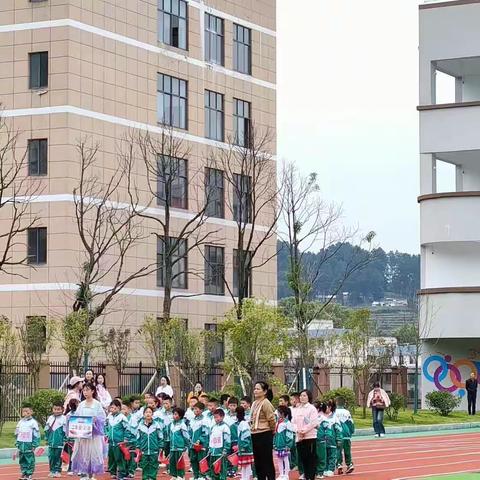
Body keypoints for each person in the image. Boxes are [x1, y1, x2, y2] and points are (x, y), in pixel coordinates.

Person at [71, 382, 106, 479]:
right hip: (83, 434)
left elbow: (102, 418)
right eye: (84, 390)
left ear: (93, 391)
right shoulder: (81, 404)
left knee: (93, 453)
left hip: (94, 435)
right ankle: (84, 473)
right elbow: (77, 417)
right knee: (83, 453)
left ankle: (93, 474)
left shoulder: (97, 404)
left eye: (87, 390)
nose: (85, 392)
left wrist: (96, 420)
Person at [250, 381, 276, 480]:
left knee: (267, 460)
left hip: (265, 433)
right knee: (258, 460)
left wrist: (272, 430)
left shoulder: (266, 403)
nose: (255, 391)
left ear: (264, 391)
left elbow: (271, 419)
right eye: (255, 388)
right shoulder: (254, 403)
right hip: (255, 433)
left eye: (258, 389)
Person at [292, 389, 318, 480]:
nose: (302, 397)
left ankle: (311, 477)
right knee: (303, 459)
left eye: (304, 396)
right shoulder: (297, 409)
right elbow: (293, 422)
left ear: (308, 397)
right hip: (299, 437)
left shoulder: (312, 408)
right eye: (301, 396)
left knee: (310, 459)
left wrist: (304, 431)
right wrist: (298, 431)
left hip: (309, 437)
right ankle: (306, 476)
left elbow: (313, 422)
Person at [136, 406, 163, 480]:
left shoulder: (156, 425)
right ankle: (145, 478)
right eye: (146, 412)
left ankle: (152, 478)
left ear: (152, 414)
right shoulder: (140, 425)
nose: (148, 414)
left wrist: (160, 446)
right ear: (144, 414)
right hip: (144, 450)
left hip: (154, 449)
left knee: (154, 465)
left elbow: (160, 436)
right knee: (144, 465)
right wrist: (138, 446)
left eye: (150, 412)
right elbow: (138, 437)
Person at [15, 402, 40, 480]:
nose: (25, 413)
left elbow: (36, 435)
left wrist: (34, 445)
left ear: (31, 412)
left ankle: (29, 474)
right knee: (22, 460)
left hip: (29, 445)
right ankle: (24, 473)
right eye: (24, 411)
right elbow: (17, 433)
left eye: (27, 411)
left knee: (30, 460)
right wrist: (17, 443)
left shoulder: (33, 423)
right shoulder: (20, 422)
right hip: (21, 446)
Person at [317, 400, 342, 478]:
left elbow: (338, 429)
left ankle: (330, 469)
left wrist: (339, 439)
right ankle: (324, 469)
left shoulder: (335, 418)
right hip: (323, 441)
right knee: (324, 455)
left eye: (326, 407)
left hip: (332, 441)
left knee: (332, 455)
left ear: (330, 407)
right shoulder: (321, 417)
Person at [106, 398, 129, 480]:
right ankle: (112, 472)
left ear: (119, 408)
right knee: (111, 457)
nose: (112, 409)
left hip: (119, 442)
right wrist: (106, 435)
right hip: (110, 442)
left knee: (120, 458)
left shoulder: (122, 417)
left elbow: (127, 429)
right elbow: (106, 427)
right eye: (111, 408)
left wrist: (125, 439)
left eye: (114, 408)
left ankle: (122, 473)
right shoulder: (109, 417)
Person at [45, 400, 67, 478]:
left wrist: (65, 439)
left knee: (58, 456)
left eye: (58, 409)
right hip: (51, 442)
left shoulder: (64, 418)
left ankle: (57, 471)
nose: (56, 411)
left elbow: (65, 430)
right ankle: (51, 470)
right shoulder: (50, 418)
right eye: (55, 409)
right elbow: (47, 429)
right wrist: (46, 438)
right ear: (52, 409)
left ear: (62, 409)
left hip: (59, 442)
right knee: (51, 456)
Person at [273, 405, 295, 480]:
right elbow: (275, 434)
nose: (277, 414)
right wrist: (274, 443)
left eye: (278, 412)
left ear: (282, 413)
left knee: (285, 459)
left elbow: (289, 435)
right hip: (278, 445)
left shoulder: (287, 423)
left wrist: (288, 445)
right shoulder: (278, 422)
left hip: (284, 445)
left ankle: (286, 474)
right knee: (279, 459)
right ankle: (281, 474)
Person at [209, 409, 231, 480]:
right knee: (213, 470)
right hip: (213, 453)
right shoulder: (213, 427)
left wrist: (225, 449)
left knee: (221, 470)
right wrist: (210, 449)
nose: (216, 419)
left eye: (217, 417)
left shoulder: (225, 427)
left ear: (222, 417)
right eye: (214, 417)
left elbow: (227, 440)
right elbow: (211, 439)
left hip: (221, 453)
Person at [169, 407, 190, 480]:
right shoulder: (171, 424)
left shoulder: (182, 424)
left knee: (179, 462)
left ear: (180, 416)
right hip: (172, 446)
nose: (174, 416)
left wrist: (187, 445)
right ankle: (174, 475)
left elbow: (186, 436)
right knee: (172, 461)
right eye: (173, 414)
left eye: (176, 414)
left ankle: (181, 475)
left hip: (180, 446)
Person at [189, 401, 209, 480]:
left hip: (201, 445)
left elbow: (205, 432)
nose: (195, 411)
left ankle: (202, 476)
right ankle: (196, 475)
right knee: (193, 460)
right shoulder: (192, 420)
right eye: (194, 409)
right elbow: (189, 431)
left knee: (201, 460)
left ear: (201, 410)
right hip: (192, 445)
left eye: (196, 409)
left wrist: (200, 440)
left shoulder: (205, 420)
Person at [335, 397, 355, 475]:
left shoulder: (334, 412)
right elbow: (351, 423)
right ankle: (349, 464)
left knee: (338, 450)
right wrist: (351, 431)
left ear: (336, 403)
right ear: (344, 403)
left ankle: (339, 464)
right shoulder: (347, 412)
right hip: (346, 434)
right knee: (347, 451)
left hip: (338, 434)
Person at [236, 406, 254, 480]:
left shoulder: (243, 424)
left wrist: (244, 446)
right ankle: (244, 478)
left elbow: (246, 437)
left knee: (247, 465)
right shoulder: (242, 423)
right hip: (242, 447)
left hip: (245, 448)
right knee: (244, 465)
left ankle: (246, 478)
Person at [64, 398, 79, 475]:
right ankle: (71, 468)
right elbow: (66, 426)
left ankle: (78, 469)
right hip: (71, 437)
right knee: (72, 453)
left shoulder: (80, 413)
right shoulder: (68, 415)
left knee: (78, 453)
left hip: (79, 436)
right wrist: (66, 436)